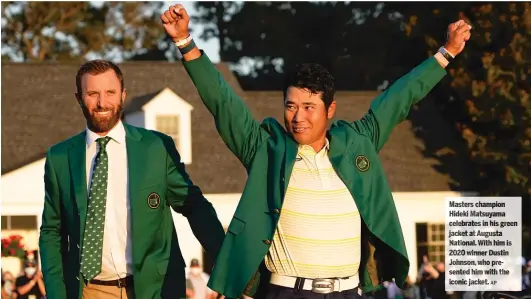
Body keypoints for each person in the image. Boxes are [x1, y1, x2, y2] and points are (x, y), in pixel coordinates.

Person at [161, 4, 471, 299]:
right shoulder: (264, 150)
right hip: (287, 292)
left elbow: (399, 98)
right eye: (291, 106)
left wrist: (446, 53)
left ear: (330, 109)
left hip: (349, 292)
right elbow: (222, 102)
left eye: (309, 107)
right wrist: (185, 42)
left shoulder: (357, 142)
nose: (297, 117)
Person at [38, 57, 226, 299]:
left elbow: (194, 206)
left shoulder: (156, 147)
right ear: (79, 98)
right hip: (90, 290)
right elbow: (51, 231)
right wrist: (56, 293)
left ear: (123, 95)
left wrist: (229, 264)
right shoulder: (60, 157)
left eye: (110, 92)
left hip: (153, 289)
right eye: (92, 93)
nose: (102, 102)